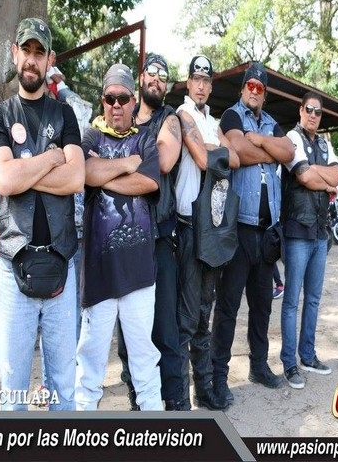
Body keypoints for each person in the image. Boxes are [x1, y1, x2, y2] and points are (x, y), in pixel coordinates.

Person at [0, 17, 85, 410]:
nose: (31, 60)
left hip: (62, 265)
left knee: (63, 390)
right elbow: (5, 181)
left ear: (50, 60)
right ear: (15, 53)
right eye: (25, 50)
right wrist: (49, 158)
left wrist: (25, 169)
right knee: (13, 396)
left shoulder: (65, 115)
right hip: (13, 269)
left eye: (39, 53)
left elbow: (76, 177)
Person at [74, 63, 163, 411]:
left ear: (133, 100)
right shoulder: (90, 137)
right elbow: (85, 169)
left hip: (139, 272)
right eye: (109, 98)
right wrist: (128, 165)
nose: (116, 105)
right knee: (89, 371)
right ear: (103, 101)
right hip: (98, 273)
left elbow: (150, 181)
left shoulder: (145, 138)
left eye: (123, 98)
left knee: (144, 366)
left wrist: (101, 175)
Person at [211, 62, 295, 404]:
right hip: (239, 229)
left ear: (264, 93)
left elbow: (288, 152)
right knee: (228, 306)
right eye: (251, 86)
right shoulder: (231, 116)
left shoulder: (272, 123)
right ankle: (218, 375)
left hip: (268, 231)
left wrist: (258, 140)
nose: (255, 92)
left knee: (262, 306)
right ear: (243, 88)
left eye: (260, 89)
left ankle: (259, 365)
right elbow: (238, 151)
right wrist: (264, 150)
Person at [117, 54, 185, 411]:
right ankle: (138, 400)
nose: (157, 79)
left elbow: (160, 164)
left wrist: (117, 165)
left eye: (164, 75)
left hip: (158, 237)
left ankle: (175, 403)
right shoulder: (121, 116)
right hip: (121, 238)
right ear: (141, 78)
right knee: (128, 335)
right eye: (152, 72)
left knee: (164, 329)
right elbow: (93, 163)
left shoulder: (169, 119)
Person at [175, 55, 239, 410]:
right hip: (187, 227)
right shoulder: (182, 115)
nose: (200, 85)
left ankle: (205, 390)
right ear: (188, 82)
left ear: (211, 86)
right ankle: (181, 397)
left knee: (204, 314)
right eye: (196, 78)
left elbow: (235, 159)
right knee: (186, 317)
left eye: (206, 80)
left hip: (211, 228)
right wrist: (219, 149)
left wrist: (213, 146)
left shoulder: (210, 121)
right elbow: (204, 159)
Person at [280, 92, 338, 389]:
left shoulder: (325, 143)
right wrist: (322, 176)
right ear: (301, 110)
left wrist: (323, 174)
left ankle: (308, 355)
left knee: (314, 299)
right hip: (296, 230)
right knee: (291, 301)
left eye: (318, 111)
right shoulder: (292, 137)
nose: (313, 115)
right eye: (309, 109)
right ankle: (289, 364)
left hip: (320, 231)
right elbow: (303, 177)